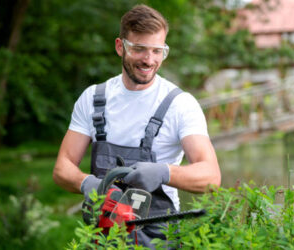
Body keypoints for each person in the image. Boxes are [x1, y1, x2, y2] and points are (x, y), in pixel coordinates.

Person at [53, 4, 221, 248]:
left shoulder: (179, 104)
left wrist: (165, 173)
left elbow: (211, 176)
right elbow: (61, 168)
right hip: (103, 237)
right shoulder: (92, 99)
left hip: (159, 238)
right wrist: (87, 183)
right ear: (120, 46)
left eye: (157, 51)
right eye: (140, 49)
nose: (149, 60)